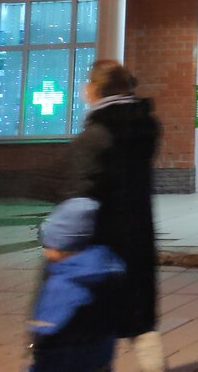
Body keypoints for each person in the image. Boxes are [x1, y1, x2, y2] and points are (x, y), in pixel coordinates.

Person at [63, 60, 165, 372]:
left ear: (94, 89)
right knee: (141, 323)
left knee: (92, 323)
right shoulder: (146, 126)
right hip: (138, 237)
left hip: (99, 241)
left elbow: (78, 194)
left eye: (87, 84)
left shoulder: (96, 135)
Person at [28, 197, 125, 372]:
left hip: (61, 362)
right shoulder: (106, 265)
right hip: (99, 355)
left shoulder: (64, 283)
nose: (44, 250)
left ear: (61, 246)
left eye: (47, 244)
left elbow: (46, 330)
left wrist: (36, 348)